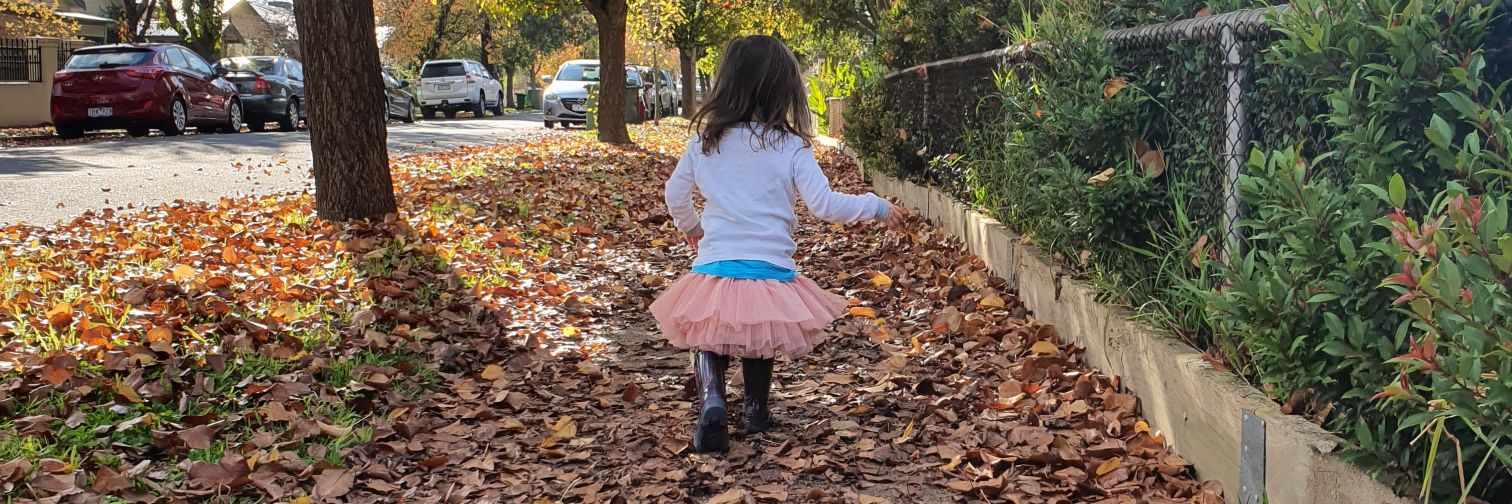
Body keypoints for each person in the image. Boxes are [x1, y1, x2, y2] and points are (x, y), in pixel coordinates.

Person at [650, 35, 906, 453]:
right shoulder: (791, 147)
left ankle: (712, 399)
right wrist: (875, 205)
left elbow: (674, 194)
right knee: (760, 331)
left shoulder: (705, 142)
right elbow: (824, 204)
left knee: (706, 337)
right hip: (770, 267)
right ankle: (755, 411)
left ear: (727, 83)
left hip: (716, 264)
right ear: (783, 89)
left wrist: (692, 228)